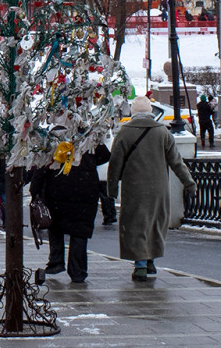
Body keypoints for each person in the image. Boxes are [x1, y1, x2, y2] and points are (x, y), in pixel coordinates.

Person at [107, 95, 197, 282]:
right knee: (156, 222)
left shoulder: (124, 132)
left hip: (134, 187)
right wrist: (189, 182)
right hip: (158, 187)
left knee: (136, 223)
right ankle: (150, 261)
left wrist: (112, 188)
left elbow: (115, 164)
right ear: (149, 111)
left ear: (133, 113)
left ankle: (140, 264)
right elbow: (176, 162)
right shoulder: (162, 132)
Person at [30, 140, 110, 283]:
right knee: (79, 231)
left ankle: (56, 262)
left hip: (57, 189)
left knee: (55, 227)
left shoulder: (52, 140)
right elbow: (105, 156)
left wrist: (34, 190)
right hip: (85, 190)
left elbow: (41, 167)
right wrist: (88, 163)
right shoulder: (88, 139)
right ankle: (77, 271)